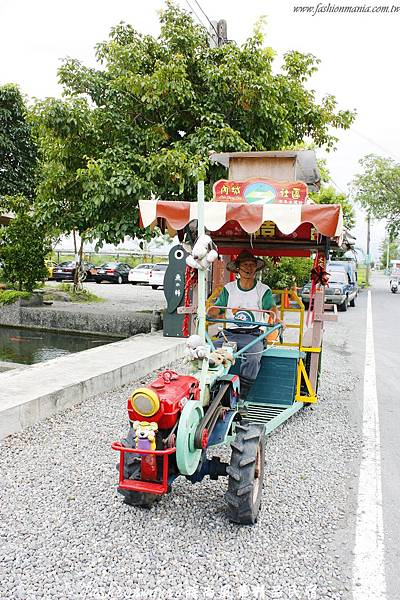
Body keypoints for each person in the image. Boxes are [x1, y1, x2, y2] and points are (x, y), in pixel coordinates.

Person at [208, 250, 282, 401]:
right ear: (238, 268)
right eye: (245, 265)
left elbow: (272, 309)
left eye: (252, 265)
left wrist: (277, 319)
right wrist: (206, 312)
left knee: (253, 358)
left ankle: (242, 396)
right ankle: (210, 389)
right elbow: (218, 308)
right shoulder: (229, 289)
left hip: (253, 335)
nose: (249, 268)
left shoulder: (263, 290)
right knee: (209, 349)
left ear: (256, 268)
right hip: (229, 334)